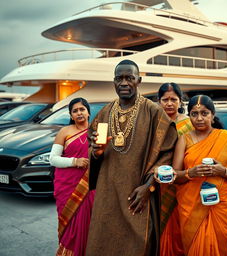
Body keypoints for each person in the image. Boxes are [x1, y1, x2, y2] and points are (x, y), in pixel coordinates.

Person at [86, 60, 178, 256]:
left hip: (138, 194)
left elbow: (167, 152)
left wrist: (149, 186)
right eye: (119, 78)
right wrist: (95, 152)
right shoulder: (104, 113)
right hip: (107, 193)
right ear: (113, 82)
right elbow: (92, 147)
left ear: (139, 80)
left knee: (138, 244)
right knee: (103, 242)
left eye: (130, 78)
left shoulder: (153, 111)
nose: (124, 83)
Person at [157, 95, 227, 256]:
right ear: (189, 116)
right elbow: (175, 176)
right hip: (191, 206)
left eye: (204, 113)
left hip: (222, 206)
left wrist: (223, 171)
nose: (199, 118)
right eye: (194, 114)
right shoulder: (184, 139)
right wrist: (190, 173)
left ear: (212, 114)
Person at [49, 97, 95, 256]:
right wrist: (75, 161)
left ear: (88, 112)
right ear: (71, 115)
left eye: (82, 109)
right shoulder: (65, 131)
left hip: (89, 184)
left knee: (87, 224)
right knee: (70, 226)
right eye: (75, 111)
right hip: (66, 184)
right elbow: (53, 158)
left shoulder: (96, 132)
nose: (79, 113)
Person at [158, 82, 193, 256]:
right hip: (158, 182)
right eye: (165, 99)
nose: (169, 103)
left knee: (180, 227)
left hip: (183, 182)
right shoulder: (154, 123)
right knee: (160, 226)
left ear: (181, 101)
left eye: (174, 99)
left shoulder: (189, 123)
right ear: (159, 101)